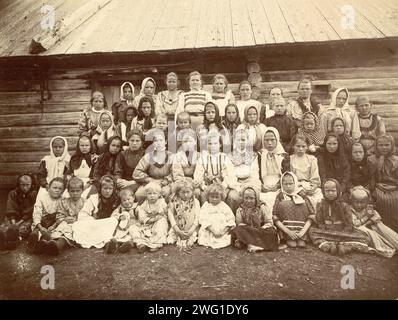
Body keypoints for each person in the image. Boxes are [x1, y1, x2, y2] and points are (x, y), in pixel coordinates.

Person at [309, 179, 369, 255]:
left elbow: (349, 224)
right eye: (327, 191)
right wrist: (325, 229)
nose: (330, 193)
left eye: (333, 191)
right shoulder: (320, 205)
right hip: (327, 232)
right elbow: (320, 222)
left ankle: (346, 247)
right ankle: (328, 246)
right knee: (312, 231)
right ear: (323, 192)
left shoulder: (344, 205)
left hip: (342, 232)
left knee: (364, 237)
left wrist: (344, 232)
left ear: (338, 191)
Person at [193, 131, 240, 212]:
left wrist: (222, 186)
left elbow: (229, 175)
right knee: (204, 194)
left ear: (220, 144)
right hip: (207, 187)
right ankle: (206, 218)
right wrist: (204, 186)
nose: (212, 146)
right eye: (210, 143)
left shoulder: (224, 158)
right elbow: (198, 176)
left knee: (232, 196)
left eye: (215, 143)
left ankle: (227, 217)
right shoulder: (202, 158)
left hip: (224, 186)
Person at [72, 175, 120, 248]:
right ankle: (106, 242)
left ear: (114, 189)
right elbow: (83, 214)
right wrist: (93, 219)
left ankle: (108, 243)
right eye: (105, 188)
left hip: (109, 224)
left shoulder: (117, 199)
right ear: (100, 188)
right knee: (77, 224)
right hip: (96, 224)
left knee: (113, 221)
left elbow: (120, 213)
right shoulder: (93, 198)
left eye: (110, 188)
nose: (107, 191)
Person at [350, 186, 398, 258]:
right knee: (365, 230)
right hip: (359, 230)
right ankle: (382, 248)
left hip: (368, 225)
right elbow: (355, 223)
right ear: (352, 201)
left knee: (379, 225)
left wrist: (366, 223)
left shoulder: (368, 208)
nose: (359, 205)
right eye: (356, 202)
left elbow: (377, 217)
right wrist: (367, 217)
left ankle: (395, 242)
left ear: (366, 202)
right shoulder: (350, 209)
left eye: (362, 202)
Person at [231, 185, 278, 253]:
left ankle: (251, 244)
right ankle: (256, 244)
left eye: (251, 198)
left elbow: (269, 222)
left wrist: (262, 228)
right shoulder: (240, 209)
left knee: (272, 231)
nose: (249, 201)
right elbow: (239, 223)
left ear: (256, 198)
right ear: (243, 198)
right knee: (236, 230)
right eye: (246, 198)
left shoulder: (262, 207)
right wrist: (250, 229)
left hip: (261, 230)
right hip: (248, 231)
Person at [273, 172, 315, 248]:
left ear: (295, 183)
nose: (288, 186)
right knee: (284, 204)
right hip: (287, 231)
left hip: (302, 230)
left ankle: (301, 237)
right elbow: (275, 216)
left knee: (300, 244)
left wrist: (302, 232)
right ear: (282, 185)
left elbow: (312, 214)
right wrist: (289, 232)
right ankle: (288, 238)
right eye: (285, 184)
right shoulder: (281, 196)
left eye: (290, 183)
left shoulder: (302, 195)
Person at [45, 177, 86, 255]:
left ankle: (58, 245)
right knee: (63, 226)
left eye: (78, 191)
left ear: (82, 191)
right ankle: (51, 244)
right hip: (65, 223)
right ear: (68, 191)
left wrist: (78, 220)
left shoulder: (85, 202)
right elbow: (59, 215)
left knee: (71, 230)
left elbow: (87, 216)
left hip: (78, 225)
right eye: (72, 191)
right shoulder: (64, 202)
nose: (75, 193)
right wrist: (64, 219)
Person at [133, 129, 174, 203]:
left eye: (161, 140)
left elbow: (174, 172)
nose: (158, 143)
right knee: (139, 194)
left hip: (165, 183)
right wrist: (150, 180)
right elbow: (137, 172)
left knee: (166, 193)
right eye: (155, 141)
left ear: (165, 142)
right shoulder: (148, 156)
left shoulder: (171, 156)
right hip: (150, 182)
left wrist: (165, 181)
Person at [28, 177, 65, 254]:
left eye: (60, 188)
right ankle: (33, 239)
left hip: (54, 224)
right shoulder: (42, 198)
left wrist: (54, 225)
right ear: (49, 188)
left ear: (63, 190)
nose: (57, 190)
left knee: (52, 234)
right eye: (54, 187)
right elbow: (37, 213)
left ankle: (42, 245)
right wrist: (40, 227)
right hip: (42, 222)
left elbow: (61, 215)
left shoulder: (63, 200)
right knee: (37, 231)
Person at [368, 134, 398, 232]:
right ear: (376, 146)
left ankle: (394, 228)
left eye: (387, 145)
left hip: (394, 188)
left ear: (392, 145)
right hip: (378, 187)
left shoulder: (396, 160)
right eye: (381, 145)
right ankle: (382, 229)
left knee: (395, 199)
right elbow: (370, 178)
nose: (384, 147)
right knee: (380, 199)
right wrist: (375, 185)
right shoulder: (371, 159)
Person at [0, 173, 37, 251]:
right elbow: (11, 209)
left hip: (26, 219)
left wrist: (19, 223)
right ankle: (3, 240)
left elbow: (30, 212)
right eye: (22, 185)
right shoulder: (13, 193)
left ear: (31, 184)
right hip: (13, 218)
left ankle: (16, 241)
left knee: (24, 229)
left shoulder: (34, 195)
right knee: (5, 227)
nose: (25, 187)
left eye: (27, 185)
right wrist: (13, 223)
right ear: (18, 184)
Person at [129, 182, 169, 253]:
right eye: (149, 194)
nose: (152, 196)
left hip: (157, 224)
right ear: (146, 195)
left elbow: (164, 215)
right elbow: (142, 215)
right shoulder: (145, 203)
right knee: (133, 228)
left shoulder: (162, 203)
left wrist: (157, 218)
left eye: (154, 193)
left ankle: (157, 243)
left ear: (159, 194)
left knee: (161, 222)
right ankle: (141, 243)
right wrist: (148, 220)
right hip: (147, 224)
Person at [259, 127, 290, 210]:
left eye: (272, 140)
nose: (269, 143)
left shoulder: (283, 155)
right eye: (266, 140)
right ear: (263, 141)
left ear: (277, 140)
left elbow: (286, 174)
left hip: (279, 184)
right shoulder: (259, 155)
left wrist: (278, 185)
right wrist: (261, 185)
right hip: (263, 184)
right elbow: (256, 173)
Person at [197, 183, 236, 249]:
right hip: (209, 230)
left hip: (221, 231)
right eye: (212, 197)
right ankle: (210, 238)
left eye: (217, 197)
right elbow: (203, 219)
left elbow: (231, 219)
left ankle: (220, 237)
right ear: (208, 196)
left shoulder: (224, 206)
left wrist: (223, 231)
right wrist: (212, 230)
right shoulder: (206, 205)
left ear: (221, 197)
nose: (214, 199)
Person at [289, 133, 323, 207]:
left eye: (303, 146)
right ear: (293, 146)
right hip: (295, 187)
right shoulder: (290, 159)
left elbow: (315, 178)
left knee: (319, 198)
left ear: (307, 147)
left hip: (309, 186)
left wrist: (312, 187)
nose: (300, 149)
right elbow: (289, 178)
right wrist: (298, 189)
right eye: (298, 146)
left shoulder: (312, 159)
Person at [167, 178, 200, 251]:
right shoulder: (173, 201)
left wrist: (191, 230)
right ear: (178, 192)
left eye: (188, 192)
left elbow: (197, 217)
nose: (185, 195)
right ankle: (180, 234)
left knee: (192, 236)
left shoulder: (196, 202)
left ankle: (188, 236)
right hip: (177, 228)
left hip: (191, 227)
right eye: (182, 192)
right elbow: (171, 216)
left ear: (192, 192)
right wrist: (177, 230)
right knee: (174, 236)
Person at [104, 188, 138, 254]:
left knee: (132, 236)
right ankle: (111, 246)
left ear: (133, 198)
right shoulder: (120, 208)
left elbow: (142, 217)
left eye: (128, 199)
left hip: (132, 227)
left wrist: (137, 223)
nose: (127, 202)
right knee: (116, 236)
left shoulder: (136, 207)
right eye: (124, 200)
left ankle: (125, 246)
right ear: (121, 201)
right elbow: (113, 215)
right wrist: (119, 217)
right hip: (122, 228)